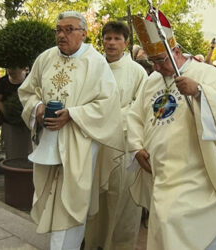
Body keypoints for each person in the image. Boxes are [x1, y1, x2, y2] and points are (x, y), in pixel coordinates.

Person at [129, 12, 216, 250]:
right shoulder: (152, 81)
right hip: (160, 174)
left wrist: (200, 91)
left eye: (162, 60)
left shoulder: (206, 74)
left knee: (185, 227)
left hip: (196, 176)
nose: (158, 67)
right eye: (153, 62)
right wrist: (136, 147)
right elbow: (134, 115)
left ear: (177, 51)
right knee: (163, 226)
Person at [17, 11, 124, 250]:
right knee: (50, 196)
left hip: (79, 143)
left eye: (68, 30)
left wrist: (73, 114)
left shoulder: (96, 62)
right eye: (58, 30)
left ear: (83, 34)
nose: (61, 35)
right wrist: (38, 107)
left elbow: (108, 105)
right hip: (47, 140)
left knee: (72, 200)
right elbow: (27, 91)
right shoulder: (45, 58)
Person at [84, 21, 147, 250]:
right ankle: (92, 243)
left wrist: (107, 117)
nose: (111, 43)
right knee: (95, 199)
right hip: (95, 144)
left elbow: (140, 108)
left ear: (126, 42)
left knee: (121, 199)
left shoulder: (138, 72)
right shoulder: (92, 67)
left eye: (117, 39)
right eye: (107, 38)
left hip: (122, 145)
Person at [0, 66, 32, 159]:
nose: (11, 70)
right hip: (9, 123)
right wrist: (8, 114)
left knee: (28, 151)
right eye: (9, 67)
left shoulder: (30, 79)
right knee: (12, 152)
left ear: (22, 67)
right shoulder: (3, 82)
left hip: (27, 123)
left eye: (14, 67)